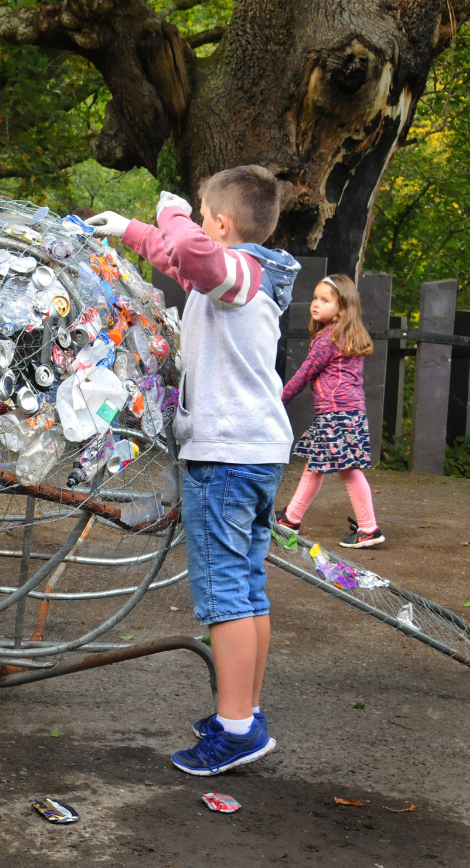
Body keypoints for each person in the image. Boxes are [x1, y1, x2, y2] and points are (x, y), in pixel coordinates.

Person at [87, 165, 300, 776]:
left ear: (222, 226)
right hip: (253, 454)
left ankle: (236, 732)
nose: (195, 229)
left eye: (206, 219)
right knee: (247, 588)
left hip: (227, 458)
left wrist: (172, 211)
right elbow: (180, 259)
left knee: (224, 594)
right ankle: (245, 713)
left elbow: (188, 248)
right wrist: (130, 229)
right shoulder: (243, 277)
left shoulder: (242, 273)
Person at [274, 274, 384, 548]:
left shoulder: (328, 339)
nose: (315, 304)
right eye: (315, 298)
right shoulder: (347, 336)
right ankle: (291, 518)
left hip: (336, 415)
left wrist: (278, 400)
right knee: (315, 465)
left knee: (349, 471)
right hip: (347, 413)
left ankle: (369, 528)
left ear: (342, 307)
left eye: (325, 300)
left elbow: (305, 373)